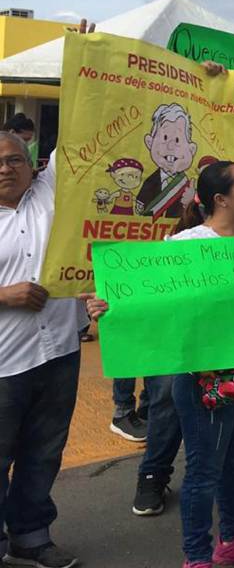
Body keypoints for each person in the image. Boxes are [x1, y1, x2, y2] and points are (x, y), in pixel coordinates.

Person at [86, 161, 234, 568]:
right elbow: (148, 298)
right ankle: (196, 556)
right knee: (204, 469)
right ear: (221, 199)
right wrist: (108, 305)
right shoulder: (184, 245)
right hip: (203, 377)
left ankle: (233, 539)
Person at [0, 133, 83, 568]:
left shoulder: (51, 193)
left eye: (15, 159)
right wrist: (3, 295)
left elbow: (85, 125)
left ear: (32, 164)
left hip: (60, 351)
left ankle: (30, 537)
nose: (6, 168)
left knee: (44, 451)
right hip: (4, 363)